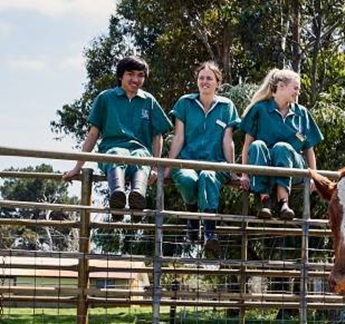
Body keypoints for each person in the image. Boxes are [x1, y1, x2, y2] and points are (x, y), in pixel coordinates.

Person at [62, 56, 173, 220]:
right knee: (115, 155)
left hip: (139, 151)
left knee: (141, 159)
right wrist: (77, 167)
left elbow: (158, 135)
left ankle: (138, 199)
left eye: (140, 75)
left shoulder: (148, 101)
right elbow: (93, 134)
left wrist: (155, 167)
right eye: (131, 74)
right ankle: (117, 198)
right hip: (112, 148)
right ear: (121, 75)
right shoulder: (106, 98)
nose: (135, 79)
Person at [165, 61, 240, 253]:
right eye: (201, 78)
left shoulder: (227, 106)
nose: (204, 82)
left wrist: (232, 171)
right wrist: (167, 166)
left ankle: (209, 232)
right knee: (188, 179)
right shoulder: (185, 103)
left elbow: (227, 140)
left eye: (209, 78)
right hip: (187, 160)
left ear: (217, 82)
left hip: (215, 162)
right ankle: (192, 218)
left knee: (208, 176)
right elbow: (179, 137)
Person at [238, 69, 322, 220]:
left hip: (292, 167)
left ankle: (284, 202)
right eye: (295, 88)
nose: (298, 93)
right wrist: (244, 174)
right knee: (257, 145)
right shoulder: (259, 109)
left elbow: (309, 149)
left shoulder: (302, 113)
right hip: (264, 164)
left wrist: (313, 177)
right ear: (281, 86)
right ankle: (265, 202)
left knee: (282, 147)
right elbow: (247, 145)